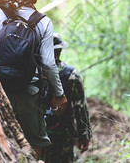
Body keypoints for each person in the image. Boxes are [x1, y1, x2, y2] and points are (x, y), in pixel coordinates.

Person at [0, 0, 67, 160]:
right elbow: (48, 64)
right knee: (34, 142)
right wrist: (59, 94)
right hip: (30, 91)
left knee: (0, 140)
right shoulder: (43, 22)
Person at [40, 33, 92, 163]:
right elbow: (80, 108)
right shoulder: (72, 75)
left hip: (39, 133)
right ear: (60, 50)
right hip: (64, 134)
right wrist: (84, 135)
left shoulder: (35, 72)